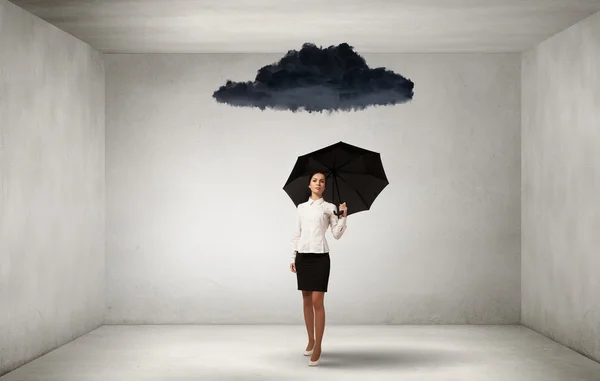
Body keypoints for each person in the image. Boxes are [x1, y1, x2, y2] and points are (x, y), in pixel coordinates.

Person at [290, 171, 348, 367]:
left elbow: (337, 234)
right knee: (306, 298)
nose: (318, 183)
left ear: (325, 186)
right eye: (315, 180)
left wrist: (343, 217)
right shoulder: (301, 208)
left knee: (317, 301)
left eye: (322, 181)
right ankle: (310, 339)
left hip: (321, 256)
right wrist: (292, 257)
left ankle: (319, 346)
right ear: (309, 185)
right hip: (303, 256)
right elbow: (296, 234)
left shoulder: (329, 207)